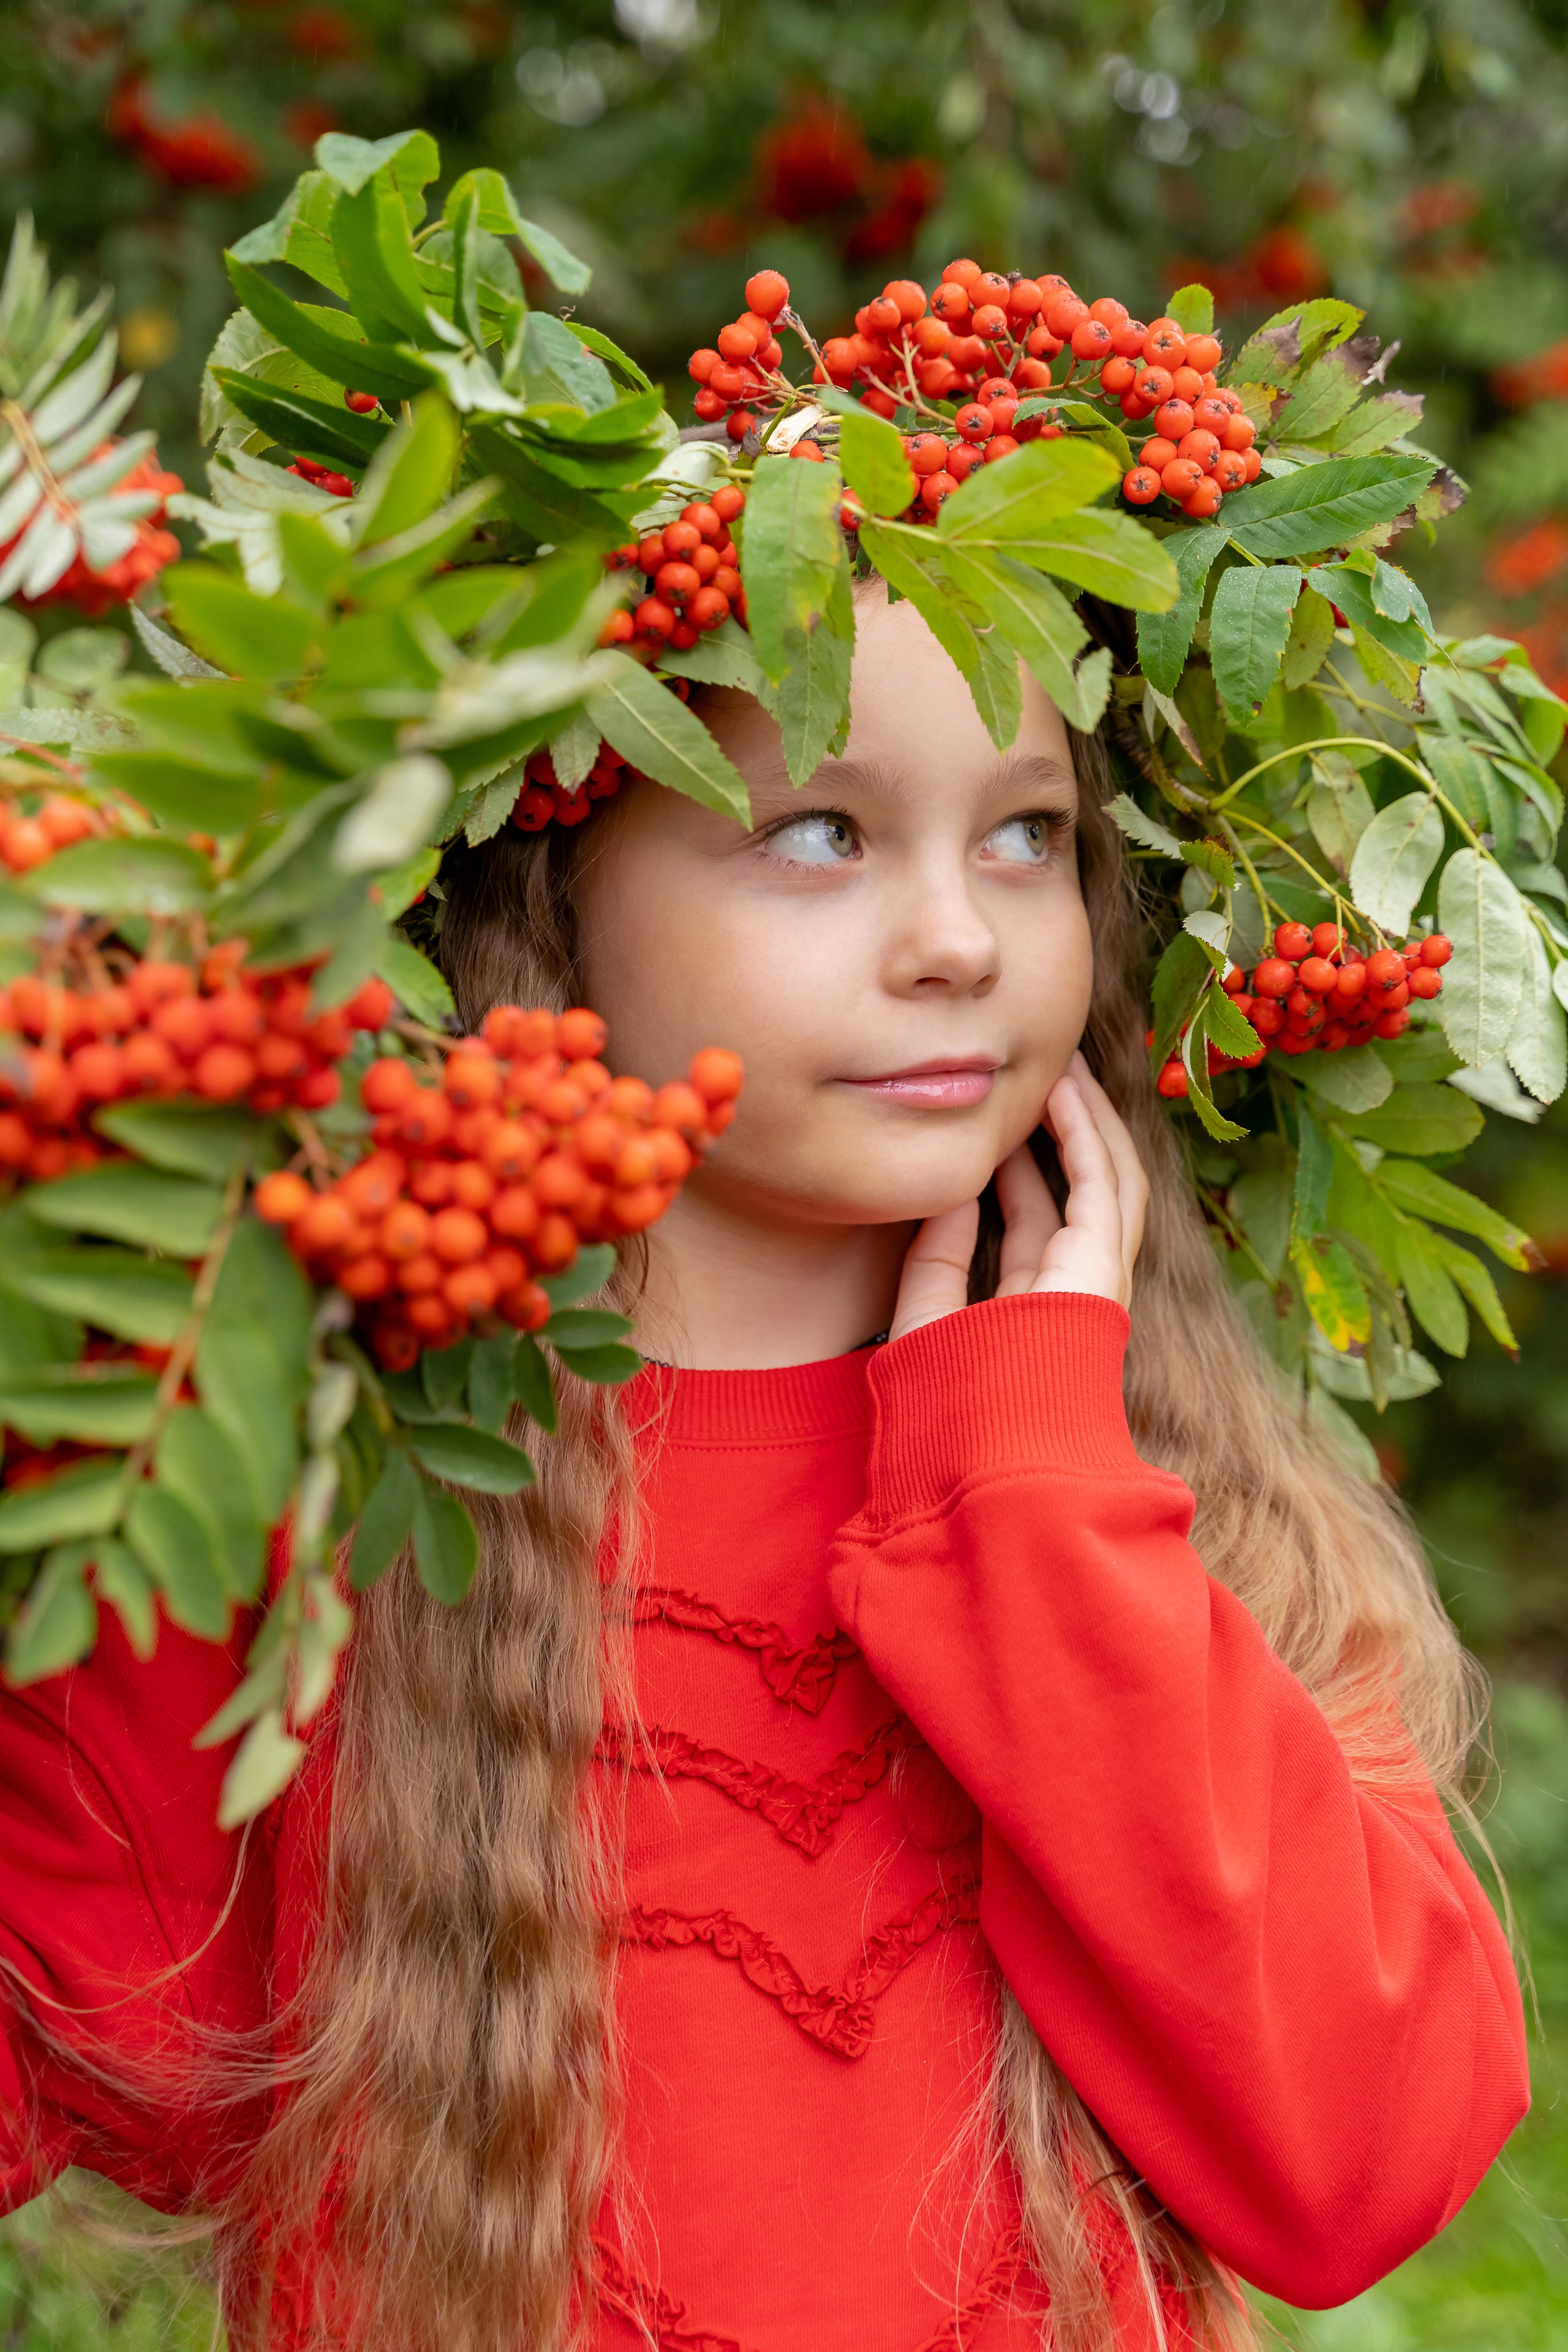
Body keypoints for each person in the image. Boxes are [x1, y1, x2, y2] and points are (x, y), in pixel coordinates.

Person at [0, 586, 1529, 2352]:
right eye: (822, 831)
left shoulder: (1173, 1485)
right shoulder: (296, 1477)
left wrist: (1031, 1495)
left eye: (1028, 834)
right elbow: (83, 2048)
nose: (959, 938)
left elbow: (1361, 2168)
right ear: (541, 885)